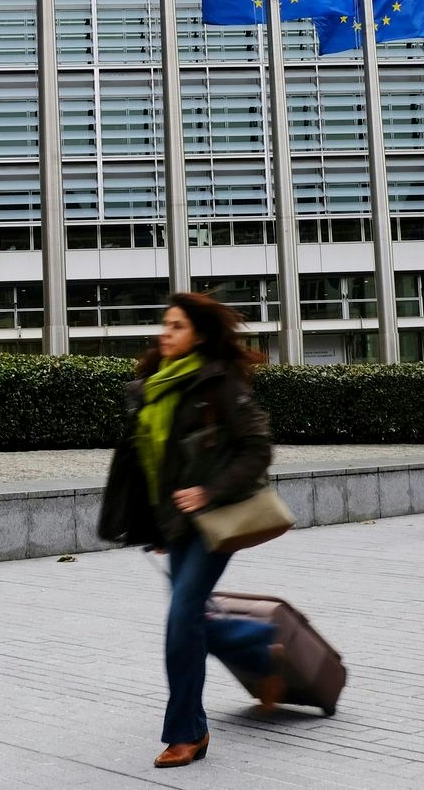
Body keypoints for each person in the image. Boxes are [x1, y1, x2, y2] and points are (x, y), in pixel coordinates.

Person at [97, 292, 275, 769]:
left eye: (176, 325)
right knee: (191, 619)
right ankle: (263, 651)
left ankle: (187, 733)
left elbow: (257, 448)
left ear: (198, 332)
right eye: (164, 324)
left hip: (215, 522)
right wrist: (154, 523)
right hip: (176, 524)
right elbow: (152, 467)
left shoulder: (219, 382)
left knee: (181, 620)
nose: (165, 332)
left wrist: (207, 491)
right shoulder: (155, 385)